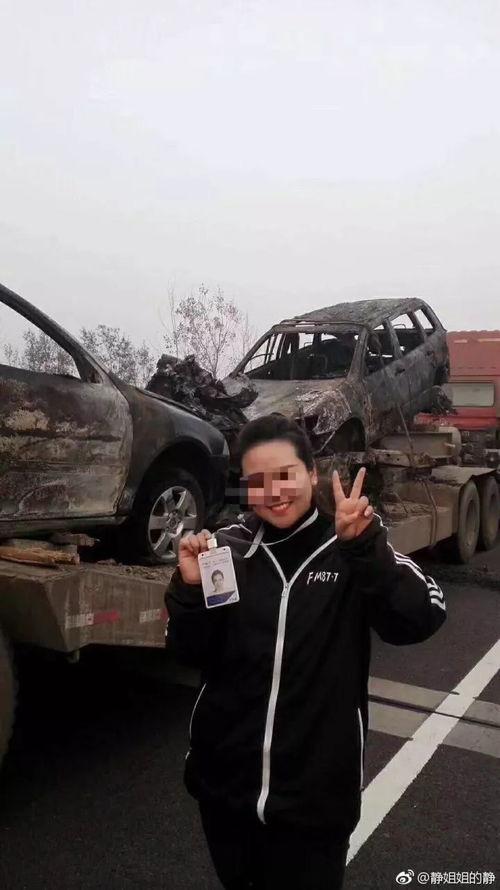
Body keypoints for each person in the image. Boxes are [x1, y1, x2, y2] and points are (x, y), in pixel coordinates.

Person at [165, 414, 447, 890]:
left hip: (315, 804)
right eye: (258, 480)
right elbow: (191, 653)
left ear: (312, 473)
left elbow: (422, 617)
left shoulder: (350, 545)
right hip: (224, 793)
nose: (273, 492)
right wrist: (190, 591)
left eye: (285, 475)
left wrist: (367, 550)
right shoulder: (228, 551)